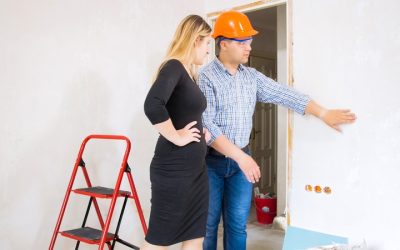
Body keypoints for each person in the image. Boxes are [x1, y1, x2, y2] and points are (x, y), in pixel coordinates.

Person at [198, 10, 357, 250]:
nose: (249, 47)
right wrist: (242, 158)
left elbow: (285, 94)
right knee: (208, 226)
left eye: (250, 42)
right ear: (225, 43)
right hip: (212, 162)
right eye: (244, 42)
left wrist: (323, 113)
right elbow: (207, 125)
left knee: (237, 225)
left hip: (242, 160)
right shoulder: (206, 77)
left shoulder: (251, 77)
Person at [141, 15, 212, 250]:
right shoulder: (174, 66)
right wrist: (177, 136)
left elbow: (183, 111)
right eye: (207, 44)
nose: (208, 51)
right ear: (195, 40)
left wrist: (203, 132)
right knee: (159, 241)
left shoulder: (190, 74)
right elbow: (153, 104)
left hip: (196, 172)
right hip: (174, 171)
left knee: (195, 236)